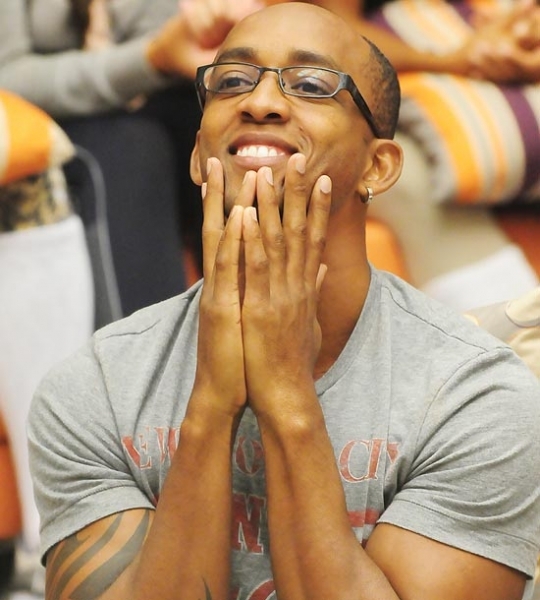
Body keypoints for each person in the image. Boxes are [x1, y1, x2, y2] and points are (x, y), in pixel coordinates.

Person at [28, 4, 540, 600]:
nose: (261, 101)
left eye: (312, 85)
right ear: (197, 155)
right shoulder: (93, 388)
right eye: (232, 81)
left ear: (379, 166)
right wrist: (211, 404)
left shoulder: (476, 397)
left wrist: (286, 394)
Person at [0, 0, 262, 321]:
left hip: (158, 93)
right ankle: (147, 343)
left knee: (235, 130)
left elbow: (174, 36)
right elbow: (7, 77)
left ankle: (260, 322)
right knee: (130, 146)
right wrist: (151, 58)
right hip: (53, 115)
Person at [310, 0, 540, 310]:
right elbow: (338, 36)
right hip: (396, 103)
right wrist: (454, 60)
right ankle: (503, 323)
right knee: (401, 176)